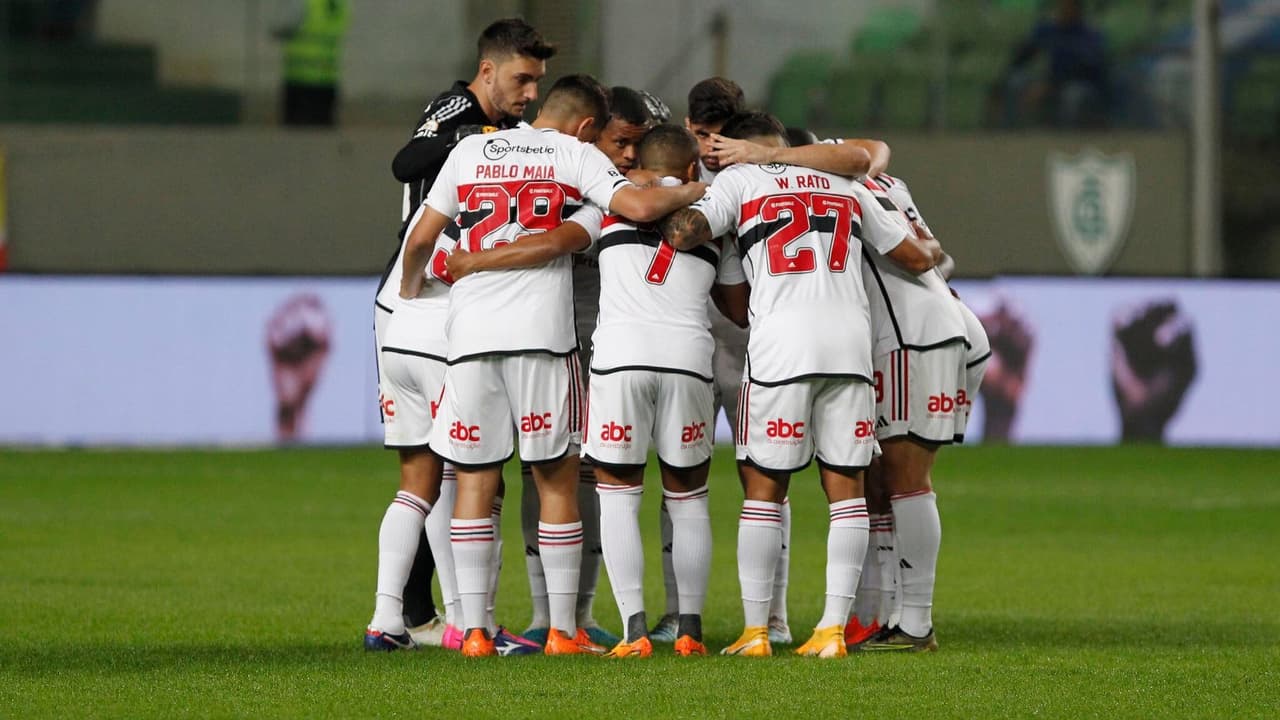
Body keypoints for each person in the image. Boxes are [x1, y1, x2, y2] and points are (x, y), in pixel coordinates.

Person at [399, 74, 707, 658]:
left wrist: (419, 287)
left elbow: (421, 236)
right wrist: (700, 190)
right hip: (543, 336)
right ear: (589, 126)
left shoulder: (470, 148)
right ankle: (564, 628)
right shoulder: (574, 156)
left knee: (474, 481)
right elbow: (634, 207)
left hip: (470, 337)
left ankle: (477, 632)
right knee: (557, 477)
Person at [660, 111, 939, 658]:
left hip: (781, 349)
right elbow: (911, 254)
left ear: (740, 146)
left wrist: (679, 195)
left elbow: (684, 232)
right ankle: (833, 630)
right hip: (850, 349)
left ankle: (756, 631)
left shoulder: (740, 181)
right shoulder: (844, 184)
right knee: (847, 491)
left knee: (764, 490)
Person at [369, 17, 554, 649]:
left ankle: (399, 617)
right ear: (487, 71)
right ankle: (462, 622)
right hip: (421, 295)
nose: (529, 93)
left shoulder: (517, 135)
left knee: (428, 473)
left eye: (537, 82)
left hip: (450, 296)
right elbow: (406, 161)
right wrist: (480, 137)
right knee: (460, 466)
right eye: (522, 79)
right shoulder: (457, 109)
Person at [519, 86, 660, 649]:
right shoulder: (554, 179)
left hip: (608, 346)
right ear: (591, 133)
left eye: (638, 146)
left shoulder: (628, 191)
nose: (629, 156)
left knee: (596, 472)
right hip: (552, 339)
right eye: (621, 142)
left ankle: (581, 610)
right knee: (544, 469)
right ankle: (542, 612)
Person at [843, 172, 970, 652]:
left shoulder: (849, 192)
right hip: (925, 331)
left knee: (906, 477)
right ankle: (897, 614)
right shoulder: (878, 186)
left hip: (911, 338)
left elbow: (920, 257)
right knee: (889, 477)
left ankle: (915, 622)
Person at [274, 0, 350, 126]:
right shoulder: (340, 3)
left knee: (295, 135)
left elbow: (280, 26)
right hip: (327, 77)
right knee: (322, 133)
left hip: (299, 77)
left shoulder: (305, 2)